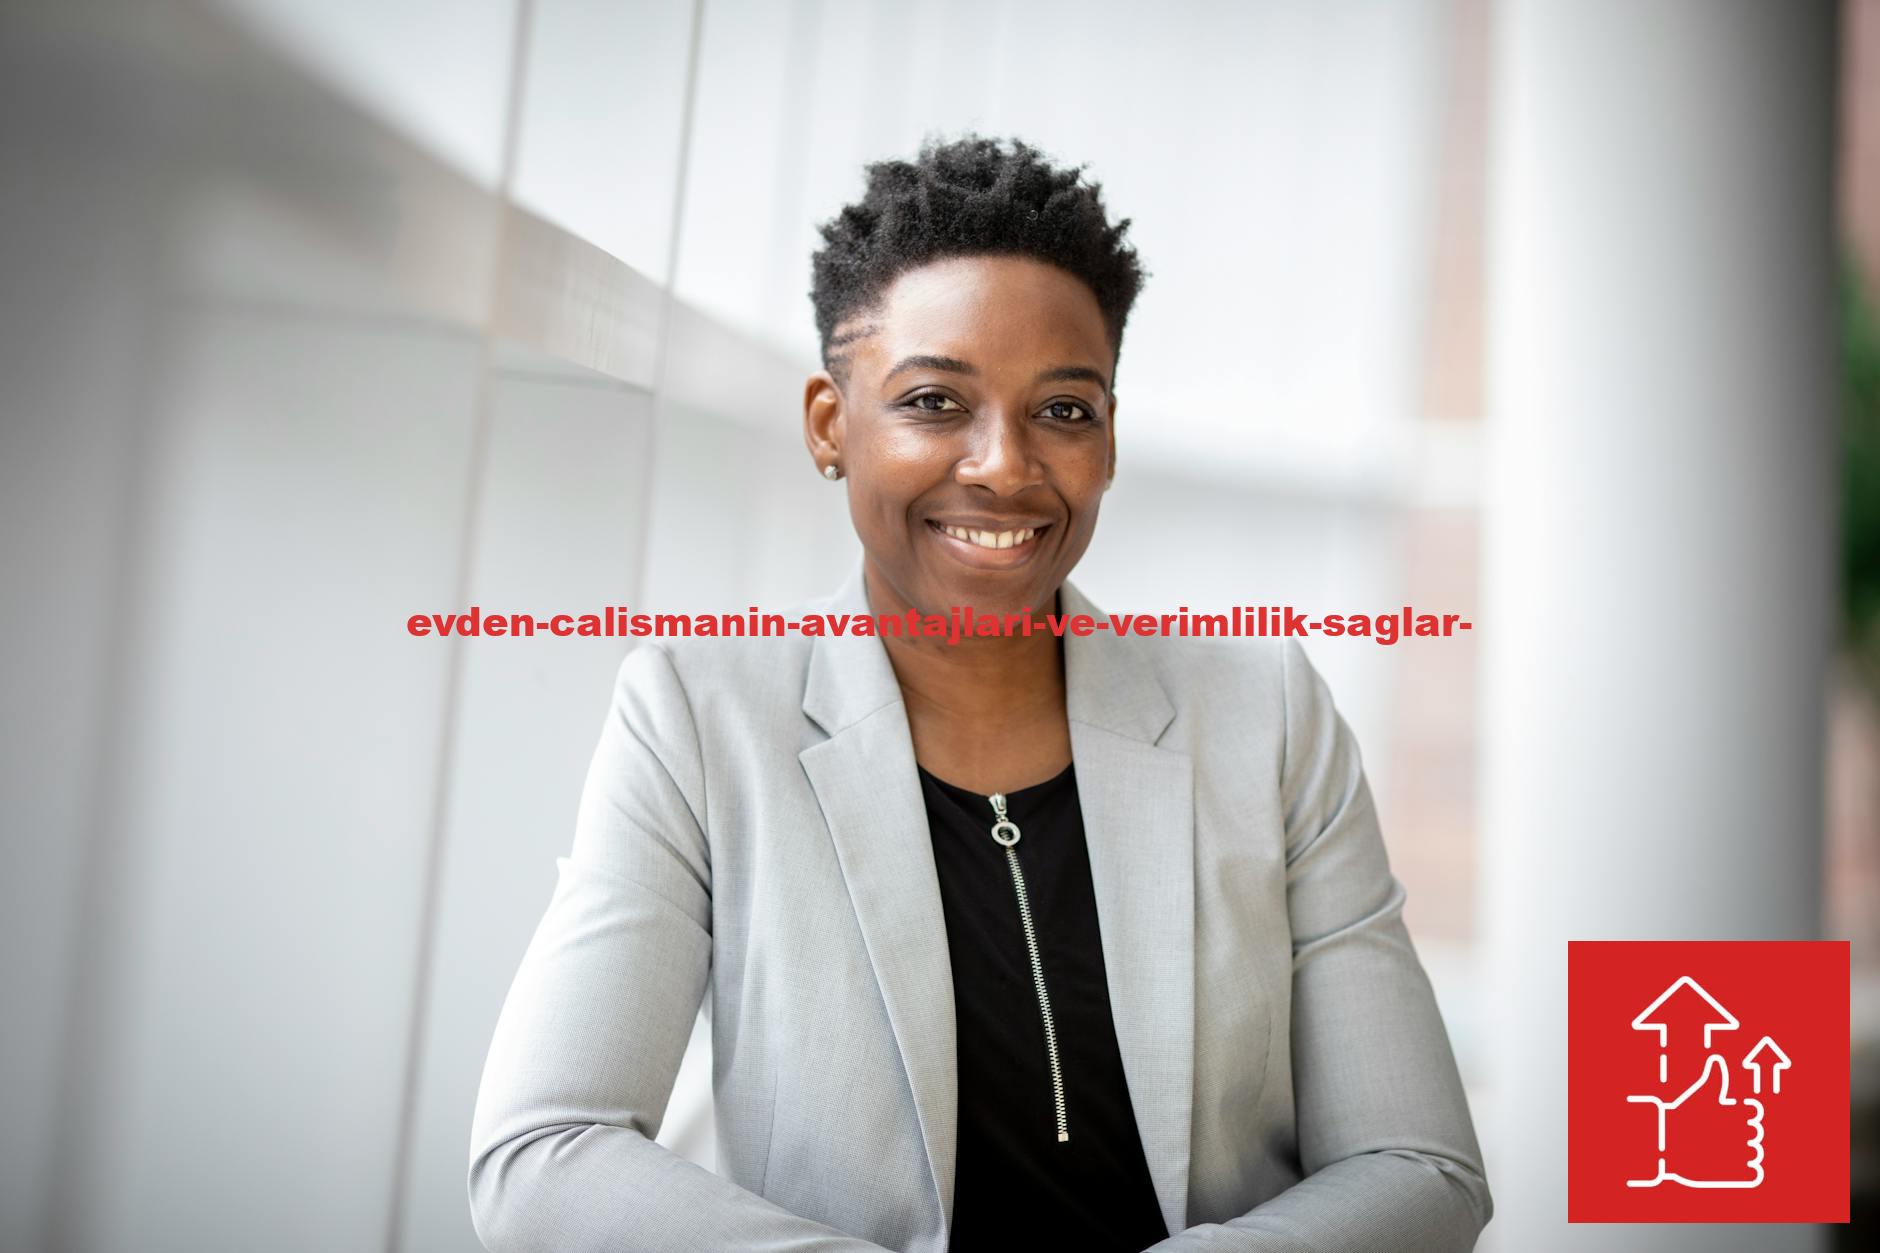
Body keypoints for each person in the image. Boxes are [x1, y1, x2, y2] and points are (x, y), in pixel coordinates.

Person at [468, 133, 1492, 1252]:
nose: (1004, 464)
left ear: (1106, 438)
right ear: (829, 423)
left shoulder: (1267, 718)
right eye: (933, 401)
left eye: (1062, 409)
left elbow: (1418, 1163)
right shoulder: (696, 720)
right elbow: (545, 1153)